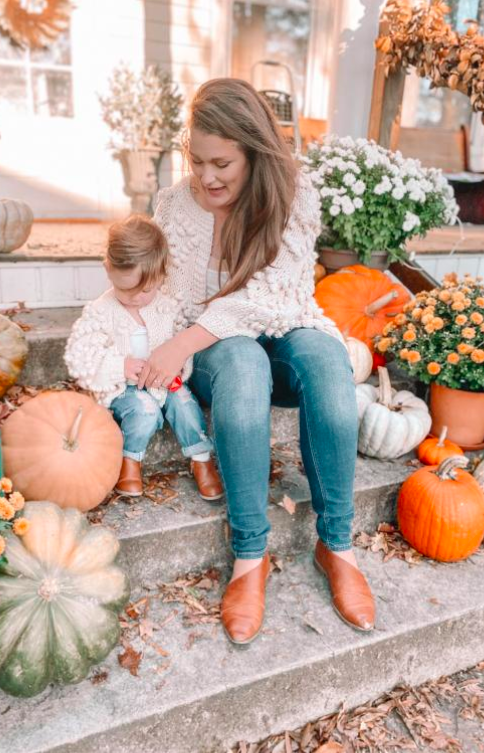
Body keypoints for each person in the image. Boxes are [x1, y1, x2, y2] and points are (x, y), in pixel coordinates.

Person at [138, 78, 375, 645]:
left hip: (286, 326)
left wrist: (184, 338)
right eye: (197, 161)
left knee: (327, 360)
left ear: (255, 151)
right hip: (220, 350)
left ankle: (336, 545)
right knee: (243, 366)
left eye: (222, 162)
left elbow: (276, 294)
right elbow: (167, 296)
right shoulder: (171, 206)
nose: (208, 176)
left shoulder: (295, 196)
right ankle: (250, 557)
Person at [64, 214, 223, 501]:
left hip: (163, 381)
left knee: (185, 404)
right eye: (126, 289)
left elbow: (181, 344)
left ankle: (202, 460)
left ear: (162, 275)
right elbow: (79, 356)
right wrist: (119, 366)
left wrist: (177, 369)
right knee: (145, 411)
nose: (136, 298)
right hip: (123, 388)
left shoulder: (167, 307)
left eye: (146, 290)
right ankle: (129, 461)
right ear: (108, 269)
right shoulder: (101, 312)